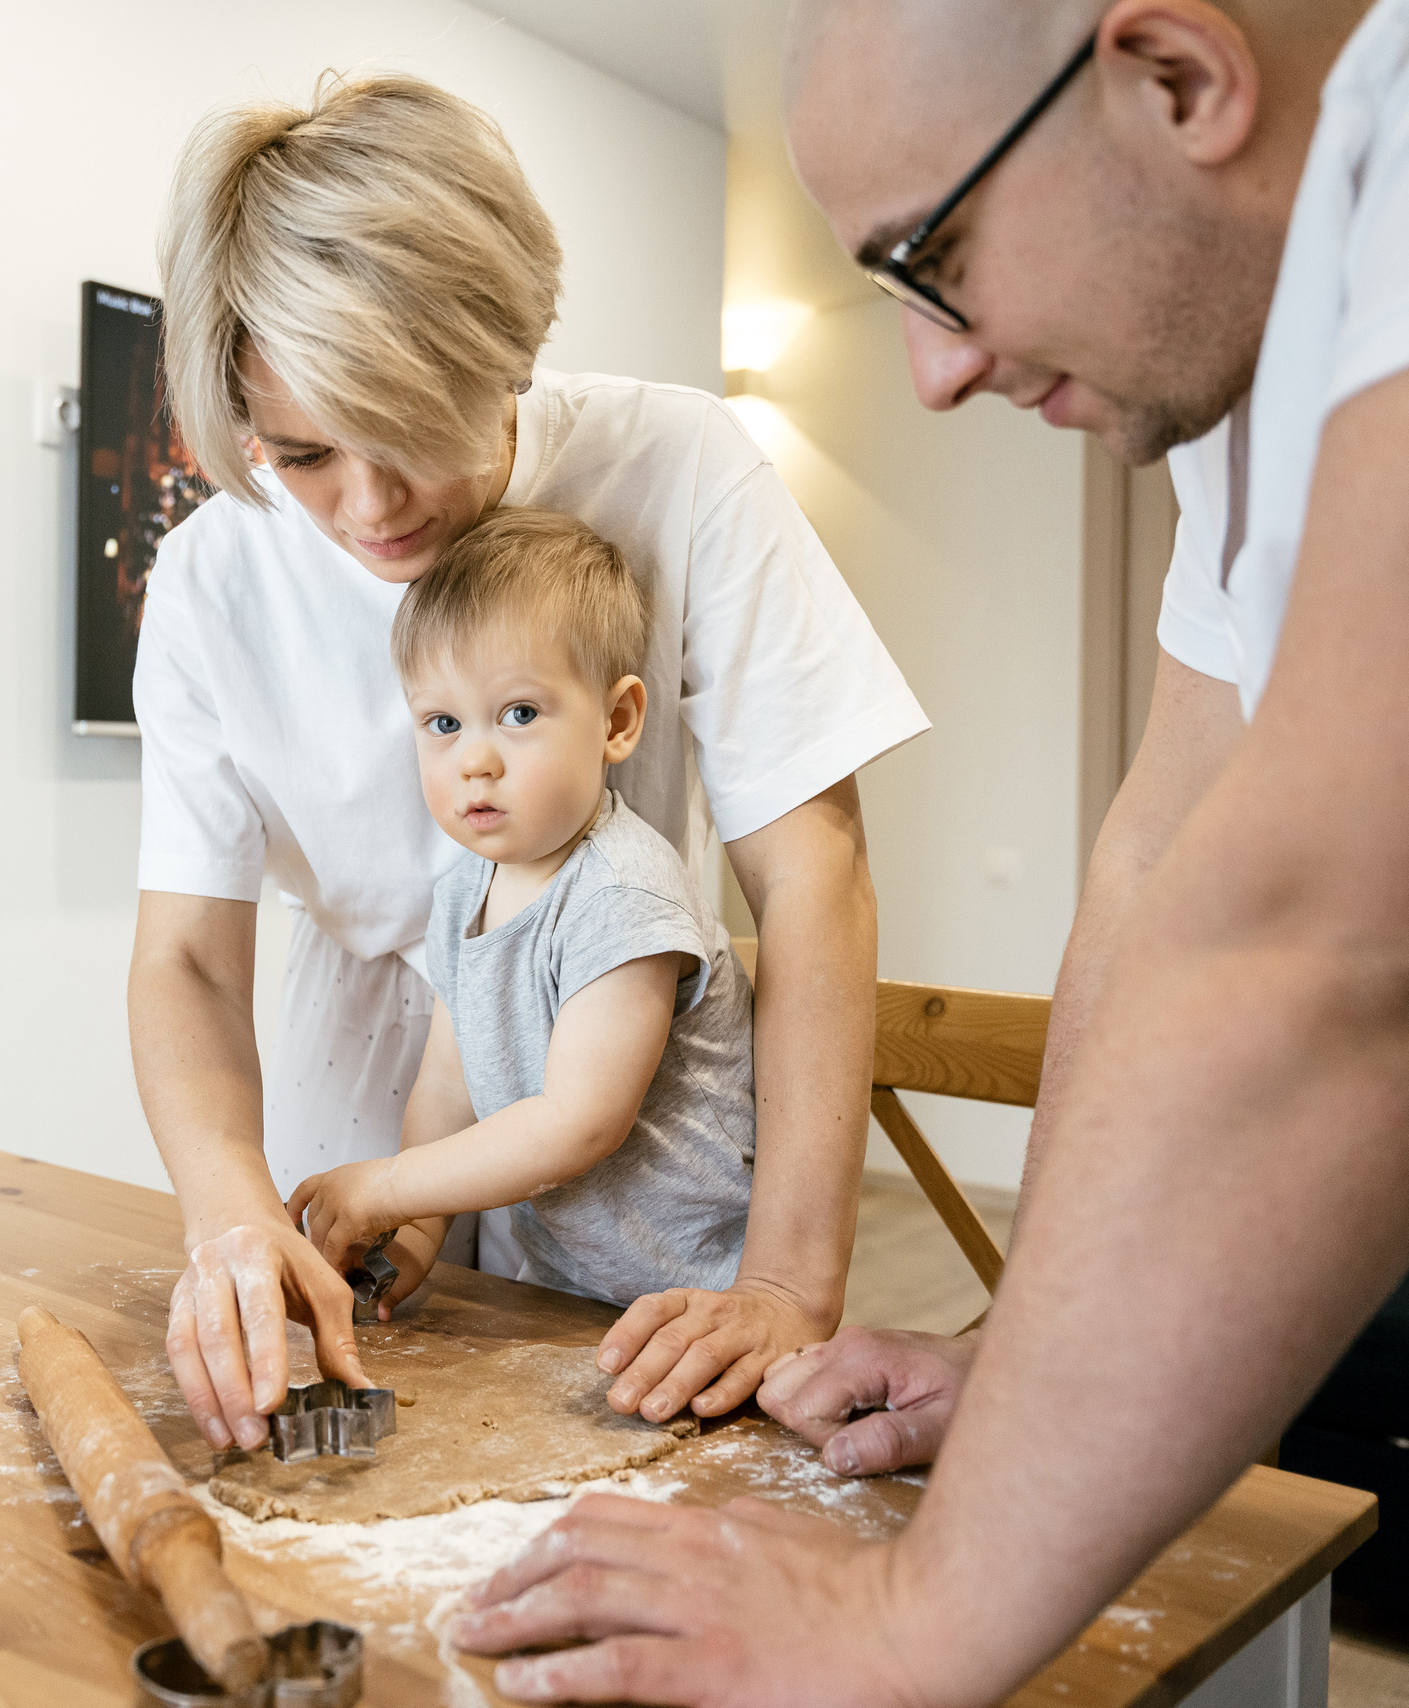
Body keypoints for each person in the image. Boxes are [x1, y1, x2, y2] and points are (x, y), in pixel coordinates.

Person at [448, 0, 1409, 1702]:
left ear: (1175, 77)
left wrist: (910, 1619)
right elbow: (1156, 864)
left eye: (932, 257)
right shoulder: (1281, 384)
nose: (937, 368)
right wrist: (1031, 1358)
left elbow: (1339, 949)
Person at [131, 72, 930, 1456]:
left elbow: (813, 877)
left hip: (618, 1091)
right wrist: (236, 1215)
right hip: (366, 1095)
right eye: (306, 454)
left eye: (413, 434)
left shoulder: (678, 464)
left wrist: (792, 1282)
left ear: (506, 355)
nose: (370, 509)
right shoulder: (214, 573)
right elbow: (189, 959)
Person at [286, 508, 765, 1312]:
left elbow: (581, 1121)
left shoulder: (621, 891)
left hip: (703, 1294)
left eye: (518, 714)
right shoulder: (460, 896)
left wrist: (391, 1186)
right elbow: (446, 1087)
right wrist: (412, 1236)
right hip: (567, 1291)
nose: (475, 760)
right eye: (443, 723)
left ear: (616, 722)